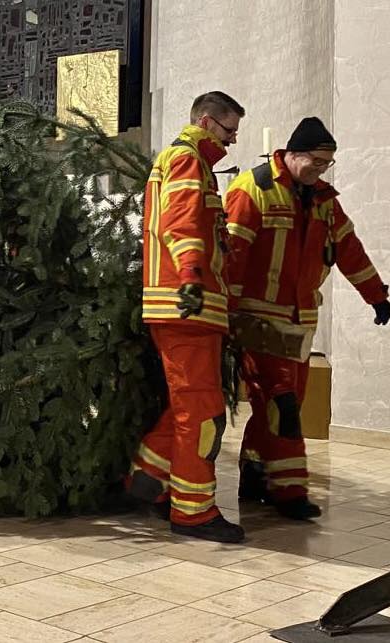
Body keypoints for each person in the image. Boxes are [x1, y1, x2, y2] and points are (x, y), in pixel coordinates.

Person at [225, 117, 390, 520]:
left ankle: (255, 473)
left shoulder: (323, 200)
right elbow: (231, 255)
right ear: (293, 154)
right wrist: (224, 313)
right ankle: (289, 491)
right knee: (283, 403)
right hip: (259, 319)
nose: (321, 170)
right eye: (316, 161)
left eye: (327, 164)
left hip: (300, 321)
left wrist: (376, 295)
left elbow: (350, 249)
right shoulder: (254, 189)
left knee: (280, 403)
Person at [126, 91, 248, 544]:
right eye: (229, 129)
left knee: (187, 405)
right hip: (187, 305)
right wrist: (193, 275)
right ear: (206, 120)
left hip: (187, 305)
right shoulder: (186, 160)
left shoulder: (192, 162)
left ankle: (150, 477)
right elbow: (181, 223)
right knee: (203, 413)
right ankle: (194, 512)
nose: (233, 140)